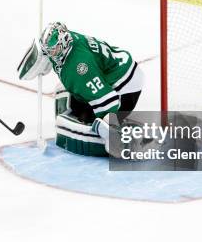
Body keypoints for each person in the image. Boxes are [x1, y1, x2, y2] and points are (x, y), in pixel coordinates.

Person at [17, 22, 144, 156]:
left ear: (64, 43)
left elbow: (108, 100)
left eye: (53, 50)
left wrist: (109, 123)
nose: (51, 54)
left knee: (93, 120)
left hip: (126, 88)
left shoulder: (79, 67)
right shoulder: (66, 40)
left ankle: (124, 139)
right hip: (118, 69)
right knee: (68, 96)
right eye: (48, 50)